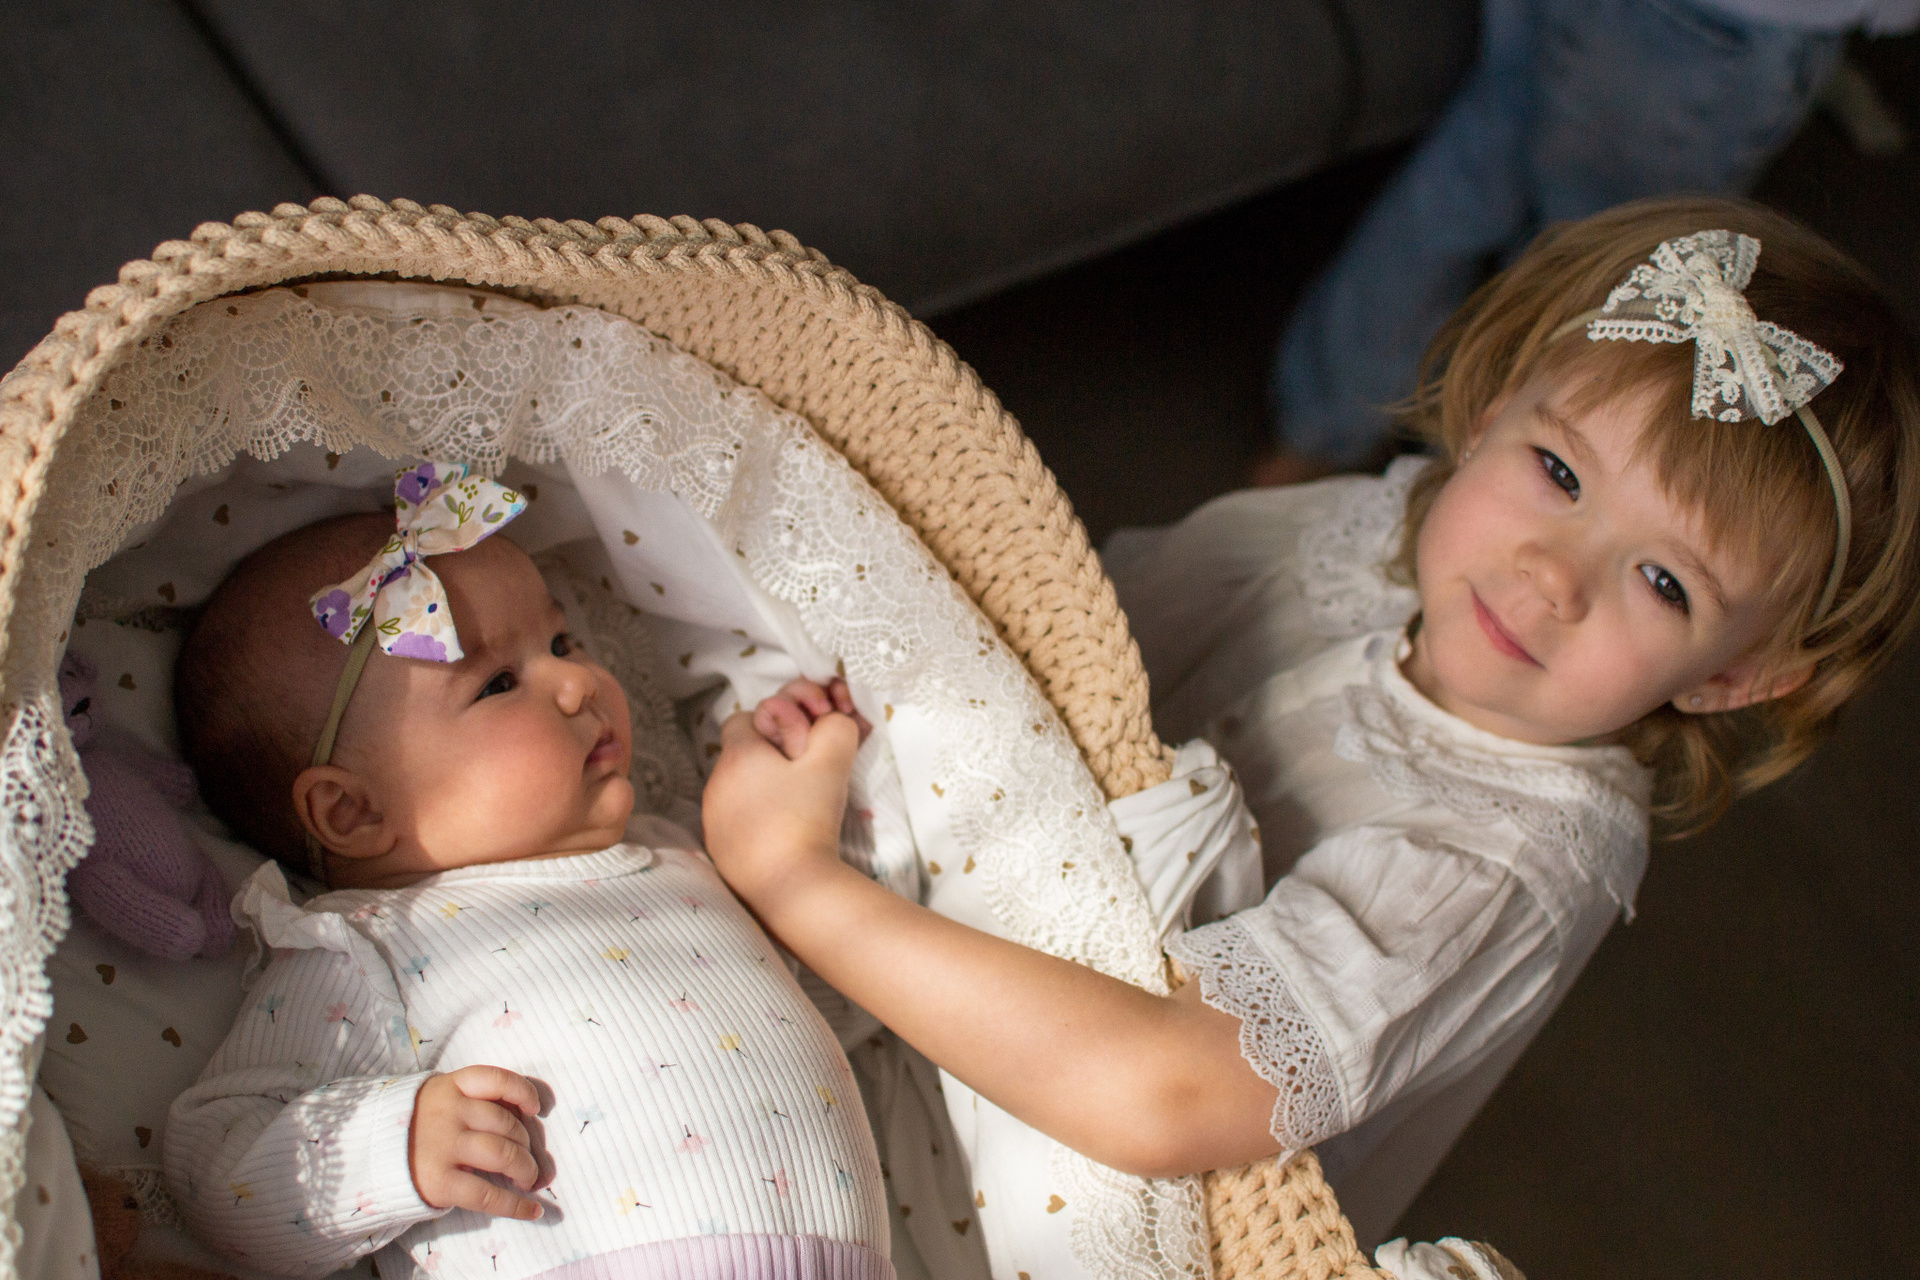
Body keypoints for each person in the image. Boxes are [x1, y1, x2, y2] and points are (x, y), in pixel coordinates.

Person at [699, 197, 1920, 1244]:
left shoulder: (1503, 858)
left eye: (1662, 582)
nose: (1553, 574)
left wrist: (797, 878)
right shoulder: (1374, 530)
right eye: (1558, 472)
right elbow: (1065, 636)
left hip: (1026, 1173)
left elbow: (1164, 1091)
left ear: (1736, 675)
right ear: (1497, 407)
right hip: (965, 908)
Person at [162, 464, 892, 1280]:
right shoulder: (371, 947)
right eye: (499, 684)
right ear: (352, 812)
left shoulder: (683, 854)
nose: (579, 682)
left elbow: (846, 989)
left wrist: (819, 795)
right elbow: (217, 1173)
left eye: (562, 642)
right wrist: (397, 1144)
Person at [1263, 0, 1919, 485]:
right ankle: (1476, 478)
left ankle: (1319, 428)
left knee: (1471, 175)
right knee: (1604, 282)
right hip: (1726, 20)